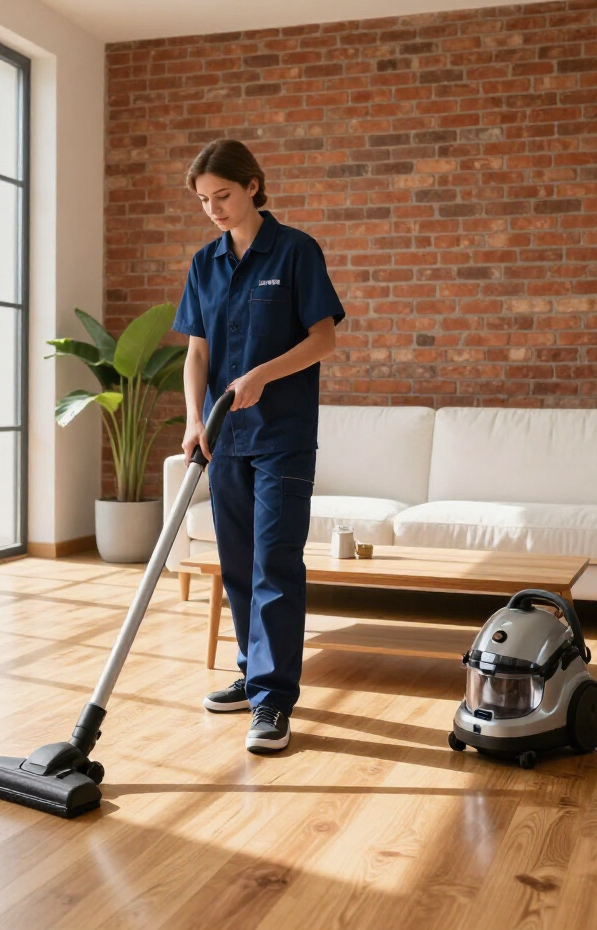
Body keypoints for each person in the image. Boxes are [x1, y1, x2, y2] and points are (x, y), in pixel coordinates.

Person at [173, 139, 345, 754]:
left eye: (222, 195)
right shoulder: (204, 264)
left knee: (275, 561)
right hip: (223, 440)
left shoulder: (296, 251)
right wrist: (195, 418)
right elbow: (197, 352)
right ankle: (252, 676)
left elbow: (323, 340)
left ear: (253, 186)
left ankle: (274, 702)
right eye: (203, 200)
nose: (213, 209)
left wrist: (263, 373)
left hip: (282, 437)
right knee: (240, 564)